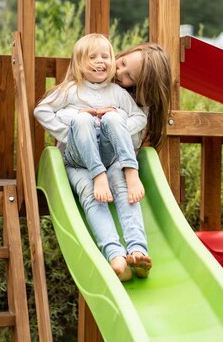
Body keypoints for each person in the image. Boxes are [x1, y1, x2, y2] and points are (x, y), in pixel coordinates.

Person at [34, 34, 152, 281]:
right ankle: (115, 255)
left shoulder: (117, 93)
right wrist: (70, 133)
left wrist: (113, 125)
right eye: (92, 57)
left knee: (113, 120)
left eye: (106, 56)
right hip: (80, 163)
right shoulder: (71, 90)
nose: (101, 62)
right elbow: (41, 111)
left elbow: (140, 118)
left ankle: (137, 251)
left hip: (110, 160)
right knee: (83, 120)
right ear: (79, 63)